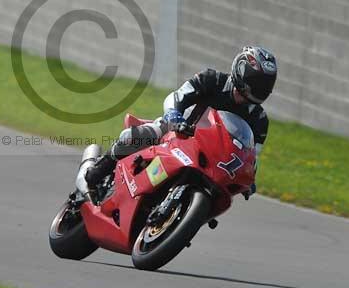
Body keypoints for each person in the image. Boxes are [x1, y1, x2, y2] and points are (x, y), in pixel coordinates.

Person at [84, 46, 278, 197]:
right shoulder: (211, 79)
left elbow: (251, 157)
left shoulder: (259, 121)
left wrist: (248, 180)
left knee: (221, 194)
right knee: (138, 135)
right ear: (241, 70)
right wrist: (174, 116)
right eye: (255, 81)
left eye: (263, 86)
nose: (257, 89)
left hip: (211, 160)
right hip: (179, 131)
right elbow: (177, 96)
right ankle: (97, 173)